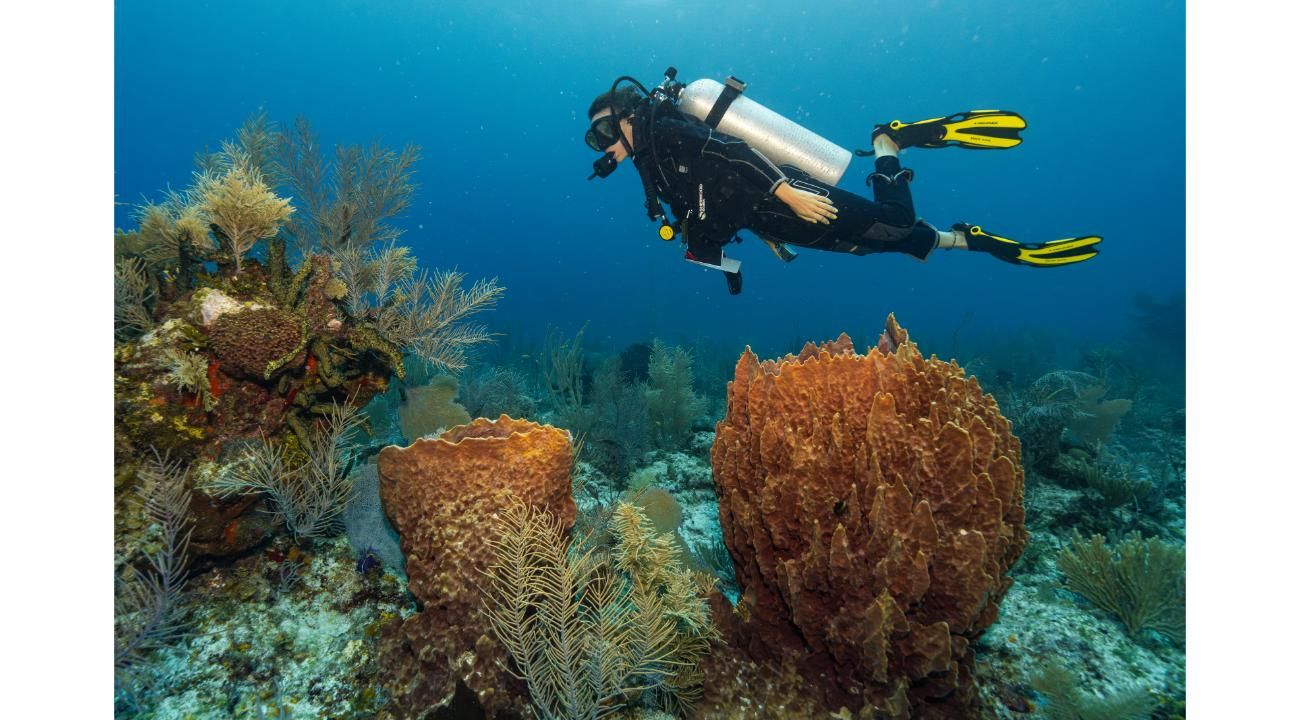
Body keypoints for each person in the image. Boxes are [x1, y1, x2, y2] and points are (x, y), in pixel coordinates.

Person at [584, 85, 1101, 294]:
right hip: (774, 215)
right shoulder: (653, 165)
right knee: (879, 242)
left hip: (789, 195)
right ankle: (971, 239)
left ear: (628, 114)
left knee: (893, 221)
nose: (605, 145)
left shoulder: (663, 129)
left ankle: (889, 140)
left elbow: (734, 154)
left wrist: (785, 192)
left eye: (605, 130)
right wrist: (748, 244)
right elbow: (713, 199)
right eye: (597, 139)